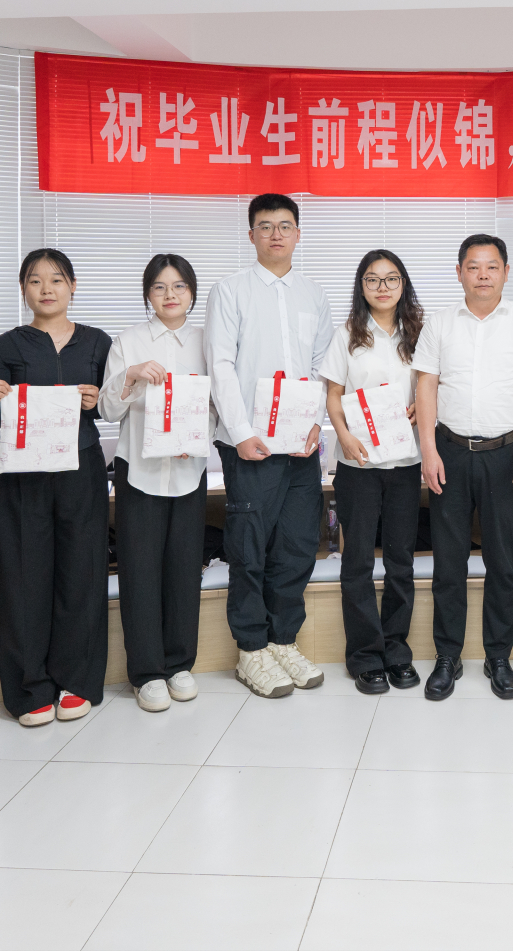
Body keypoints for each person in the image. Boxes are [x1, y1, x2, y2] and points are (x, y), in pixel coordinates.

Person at [0, 249, 110, 727]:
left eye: (57, 279)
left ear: (73, 286)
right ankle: (29, 689)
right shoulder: (6, 345)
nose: (46, 289)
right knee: (23, 576)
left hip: (81, 467)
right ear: (23, 289)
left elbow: (112, 405)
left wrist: (97, 400)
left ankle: (77, 680)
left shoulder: (97, 342)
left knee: (82, 572)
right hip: (21, 473)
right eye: (35, 280)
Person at [415, 233, 513, 700]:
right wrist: (429, 451)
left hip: (507, 454)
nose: (482, 275)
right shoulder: (439, 324)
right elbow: (426, 387)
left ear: (506, 273)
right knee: (448, 562)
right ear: (459, 273)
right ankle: (448, 656)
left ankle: (499, 656)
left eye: (491, 267)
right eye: (473, 267)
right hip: (450, 452)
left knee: (501, 561)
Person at [207, 194, 332, 698]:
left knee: (297, 545)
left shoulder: (313, 294)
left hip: (300, 445)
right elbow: (220, 364)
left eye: (285, 225)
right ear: (251, 235)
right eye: (265, 226)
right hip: (250, 444)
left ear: (298, 234)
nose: (276, 234)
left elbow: (323, 367)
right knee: (250, 547)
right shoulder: (230, 290)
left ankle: (283, 640)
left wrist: (316, 424)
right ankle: (251, 650)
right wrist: (240, 433)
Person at [100, 254, 211, 713]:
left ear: (192, 292)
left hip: (188, 471)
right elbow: (108, 410)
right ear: (148, 293)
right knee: (140, 573)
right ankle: (146, 673)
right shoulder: (128, 341)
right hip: (139, 473)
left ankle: (179, 664)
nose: (170, 295)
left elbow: (218, 405)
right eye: (160, 287)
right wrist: (129, 376)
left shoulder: (207, 341)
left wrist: (196, 436)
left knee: (184, 570)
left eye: (179, 286)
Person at [321, 249, 424, 695]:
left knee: (401, 561)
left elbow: (432, 385)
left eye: (391, 278)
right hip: (358, 463)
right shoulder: (347, 334)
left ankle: (397, 650)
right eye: (372, 279)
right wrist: (343, 435)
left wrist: (423, 405)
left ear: (403, 284)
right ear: (361, 287)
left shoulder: (420, 333)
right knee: (359, 561)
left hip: (405, 463)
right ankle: (365, 656)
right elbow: (333, 394)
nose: (383, 287)